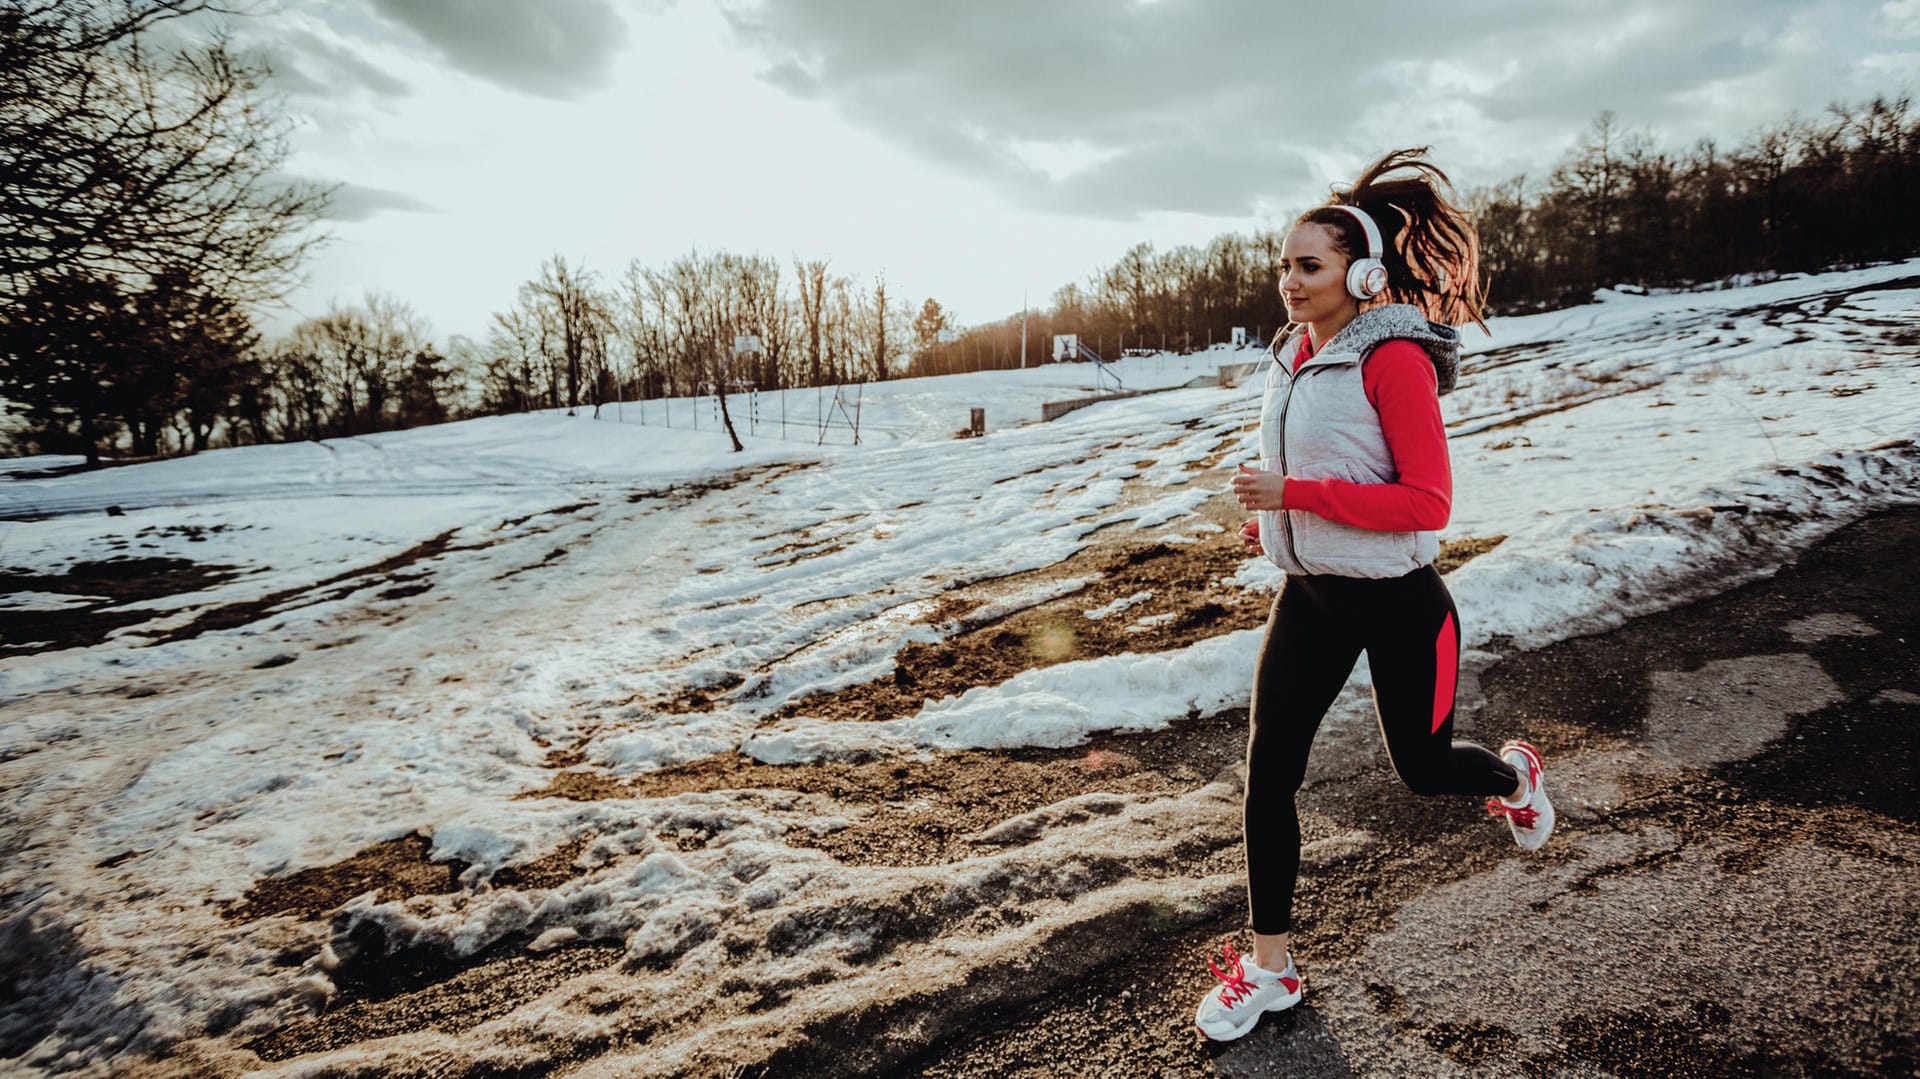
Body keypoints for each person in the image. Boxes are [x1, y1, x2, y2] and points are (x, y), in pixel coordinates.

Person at [1194, 148, 1555, 1043]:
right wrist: (1275, 527)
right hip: (1311, 595)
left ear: (1361, 274)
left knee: (1424, 768)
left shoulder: (1392, 359)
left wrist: (1297, 498)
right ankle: (1269, 967)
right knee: (1267, 772)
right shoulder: (1291, 357)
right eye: (1283, 264)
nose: (1288, 281)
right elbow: (1323, 468)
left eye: (1307, 266)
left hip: (1400, 601)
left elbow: (1427, 504)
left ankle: (1515, 777)